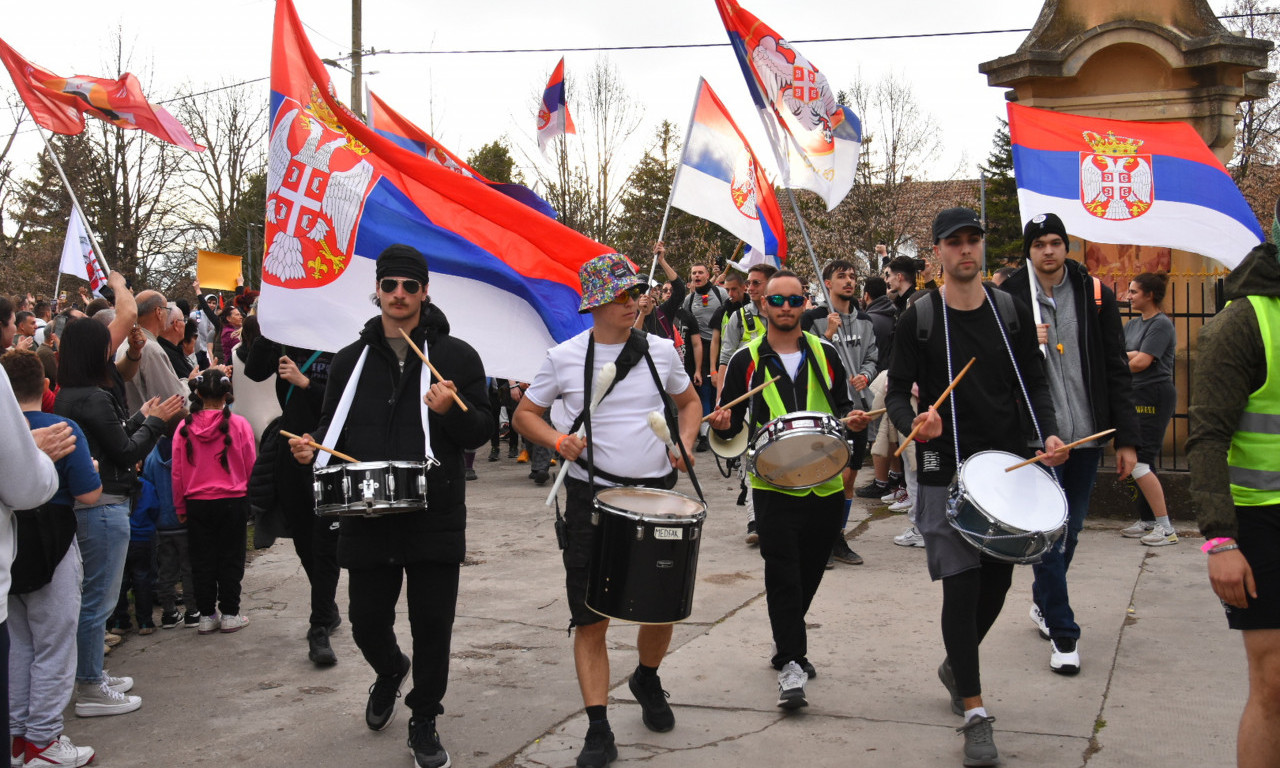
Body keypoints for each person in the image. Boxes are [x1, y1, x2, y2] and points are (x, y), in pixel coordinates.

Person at [288, 244, 491, 768]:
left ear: (425, 291)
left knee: (432, 624)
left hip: (434, 514)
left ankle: (424, 717)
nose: (399, 294)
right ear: (376, 290)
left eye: (409, 285)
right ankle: (388, 669)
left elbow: (481, 430)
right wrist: (312, 444)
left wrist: (450, 411)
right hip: (369, 512)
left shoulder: (457, 357)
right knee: (364, 620)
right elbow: (333, 424)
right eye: (390, 285)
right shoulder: (351, 361)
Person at [878, 207, 1066, 767]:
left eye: (973, 241)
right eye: (954, 242)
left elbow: (1033, 379)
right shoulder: (921, 315)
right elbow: (894, 390)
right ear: (937, 251)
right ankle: (977, 714)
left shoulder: (1007, 309)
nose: (966, 250)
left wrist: (1048, 432)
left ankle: (957, 666)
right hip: (944, 468)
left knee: (999, 585)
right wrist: (915, 417)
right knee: (961, 587)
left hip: (1005, 465)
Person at [512, 253, 700, 768]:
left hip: (657, 495)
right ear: (594, 303)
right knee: (590, 615)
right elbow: (525, 413)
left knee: (660, 605)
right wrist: (556, 439)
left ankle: (646, 678)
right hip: (590, 500)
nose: (634, 301)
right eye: (622, 294)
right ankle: (598, 725)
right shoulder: (564, 356)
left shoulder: (661, 351)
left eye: (637, 292)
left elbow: (689, 403)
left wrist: (683, 443)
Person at [997, 213, 1139, 675]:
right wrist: (1021, 345)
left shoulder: (1094, 292)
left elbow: (1117, 367)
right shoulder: (1008, 298)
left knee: (1072, 529)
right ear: (1029, 250)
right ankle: (1064, 633)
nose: (1049, 251)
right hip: (1038, 438)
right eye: (1039, 244)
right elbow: (990, 367)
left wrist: (1127, 440)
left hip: (1087, 434)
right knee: (1050, 536)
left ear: (1066, 246)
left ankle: (1042, 600)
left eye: (1056, 242)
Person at [709, 269, 854, 710]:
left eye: (795, 300)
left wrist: (856, 426)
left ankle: (786, 641)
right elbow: (729, 428)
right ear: (763, 305)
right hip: (772, 484)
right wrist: (722, 423)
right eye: (778, 301)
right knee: (782, 572)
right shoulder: (745, 360)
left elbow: (845, 411)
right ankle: (792, 662)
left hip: (824, 482)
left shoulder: (826, 353)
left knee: (808, 572)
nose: (787, 308)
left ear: (805, 303)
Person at [55, 317, 183, 718]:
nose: (113, 349)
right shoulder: (92, 397)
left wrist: (143, 418)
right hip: (103, 505)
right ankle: (91, 686)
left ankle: (92, 673)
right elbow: (127, 453)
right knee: (98, 600)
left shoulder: (70, 394)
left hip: (95, 501)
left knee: (95, 597)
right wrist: (157, 425)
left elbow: (113, 442)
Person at [1188, 241, 1280, 768]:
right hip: (1262, 524)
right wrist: (1219, 538)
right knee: (1273, 686)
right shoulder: (1241, 324)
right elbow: (1206, 438)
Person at [2, 350, 99, 768]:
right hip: (53, 541)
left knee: (20, 645)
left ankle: (18, 738)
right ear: (46, 389)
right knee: (56, 645)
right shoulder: (62, 427)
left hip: (11, 548)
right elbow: (90, 494)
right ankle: (45, 739)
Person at [244, 334, 339, 665]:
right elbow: (254, 371)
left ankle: (319, 627)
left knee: (324, 538)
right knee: (302, 539)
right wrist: (267, 326)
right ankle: (327, 608)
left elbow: (347, 403)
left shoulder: (340, 338)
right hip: (289, 447)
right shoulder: (285, 336)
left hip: (329, 450)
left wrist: (305, 383)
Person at [802, 260, 878, 567]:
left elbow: (873, 355)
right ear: (827, 284)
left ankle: (837, 537)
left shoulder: (866, 321)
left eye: (852, 276)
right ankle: (818, 539)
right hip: (825, 411)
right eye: (841, 277)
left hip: (856, 411)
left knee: (849, 478)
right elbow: (805, 359)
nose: (848, 281)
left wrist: (866, 375)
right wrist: (829, 335)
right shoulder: (814, 319)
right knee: (822, 477)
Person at [172, 368, 255, 635]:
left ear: (196, 393)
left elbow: (177, 471)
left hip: (197, 502)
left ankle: (207, 614)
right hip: (233, 499)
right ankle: (230, 612)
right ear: (226, 394)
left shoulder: (184, 428)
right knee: (231, 557)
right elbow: (250, 463)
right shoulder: (240, 424)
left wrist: (180, 505)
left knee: (201, 559)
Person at [1120, 272, 1180, 546]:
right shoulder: (1132, 325)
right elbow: (1122, 354)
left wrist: (1126, 359)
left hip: (1154, 394)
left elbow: (1142, 361)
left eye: (1133, 292)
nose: (1128, 297)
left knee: (1141, 460)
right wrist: (1129, 357)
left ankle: (1166, 529)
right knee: (1137, 462)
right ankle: (1147, 521)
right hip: (1134, 393)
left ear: (1149, 295)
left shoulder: (1161, 324)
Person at [682, 261, 730, 448]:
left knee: (720, 389)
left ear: (707, 274)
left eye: (700, 272)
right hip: (698, 349)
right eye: (694, 273)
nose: (697, 276)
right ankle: (704, 434)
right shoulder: (689, 300)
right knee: (702, 388)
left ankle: (722, 428)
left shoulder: (721, 293)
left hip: (720, 346)